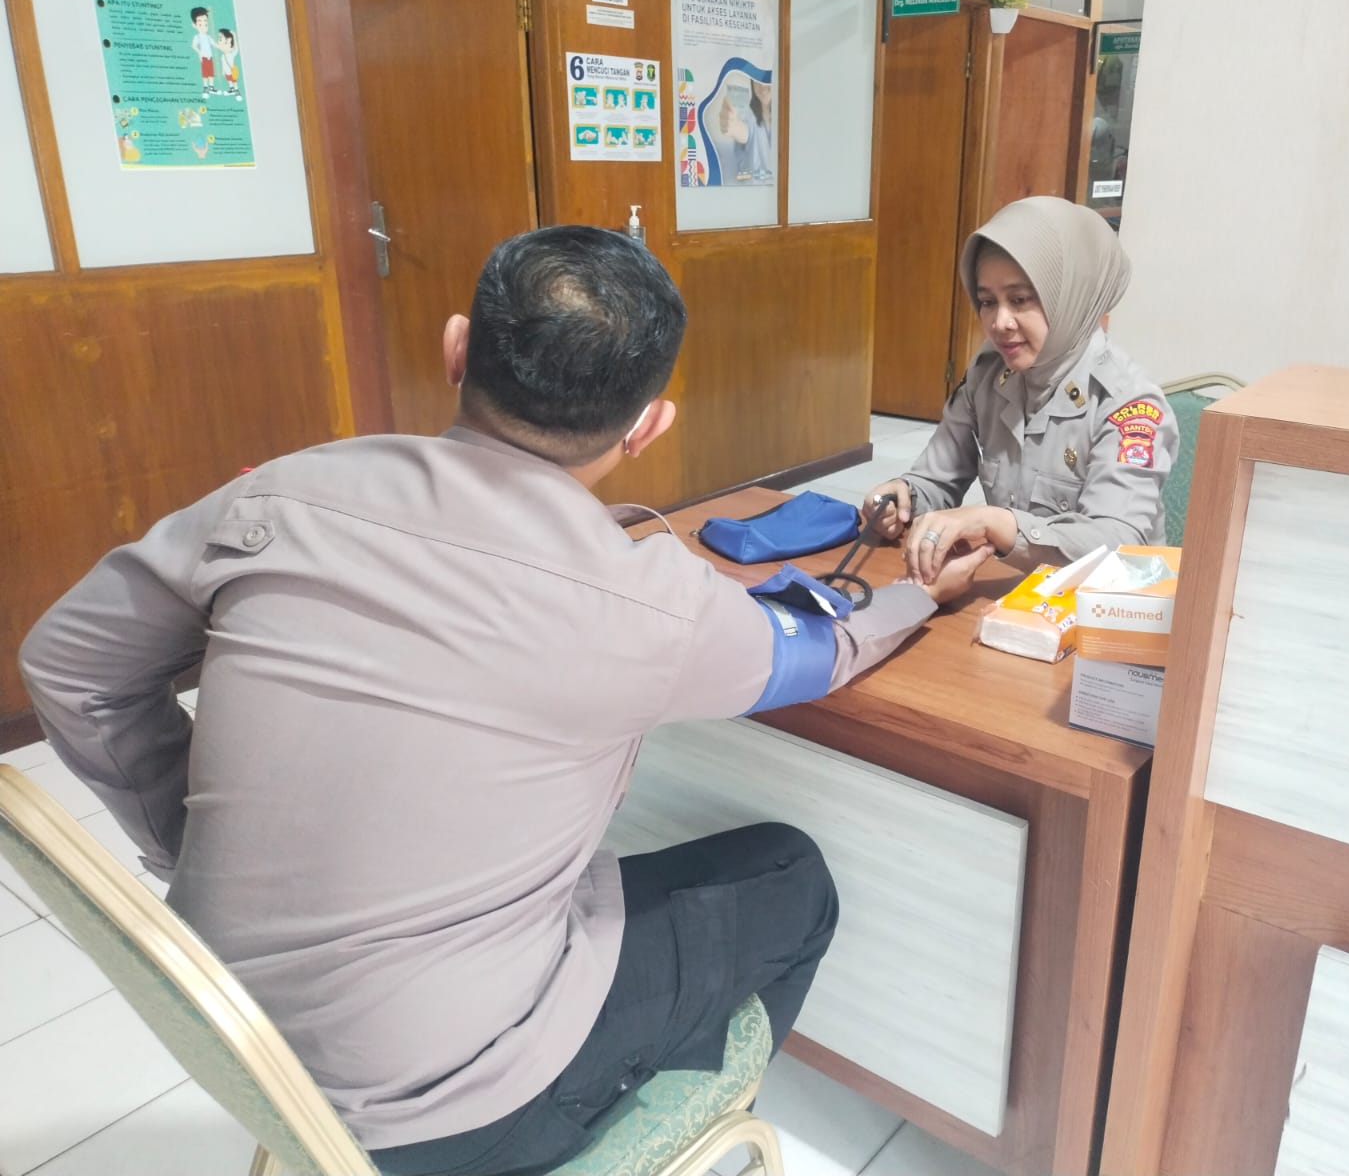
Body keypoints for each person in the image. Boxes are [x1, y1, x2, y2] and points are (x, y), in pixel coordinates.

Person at [19, 227, 992, 1175]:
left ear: (457, 349)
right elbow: (822, 652)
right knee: (790, 877)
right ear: (650, 425)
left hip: (226, 1030)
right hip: (447, 1118)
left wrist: (186, 840)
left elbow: (69, 664)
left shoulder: (282, 495)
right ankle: (655, 1130)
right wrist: (922, 596)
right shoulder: (647, 604)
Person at [865, 197, 1177, 584]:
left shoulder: (1126, 403)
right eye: (987, 302)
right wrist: (903, 496)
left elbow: (1118, 543)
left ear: (1071, 295)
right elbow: (938, 479)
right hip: (1014, 589)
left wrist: (996, 522)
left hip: (1108, 603)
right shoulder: (989, 373)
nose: (1000, 323)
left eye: (1020, 299)